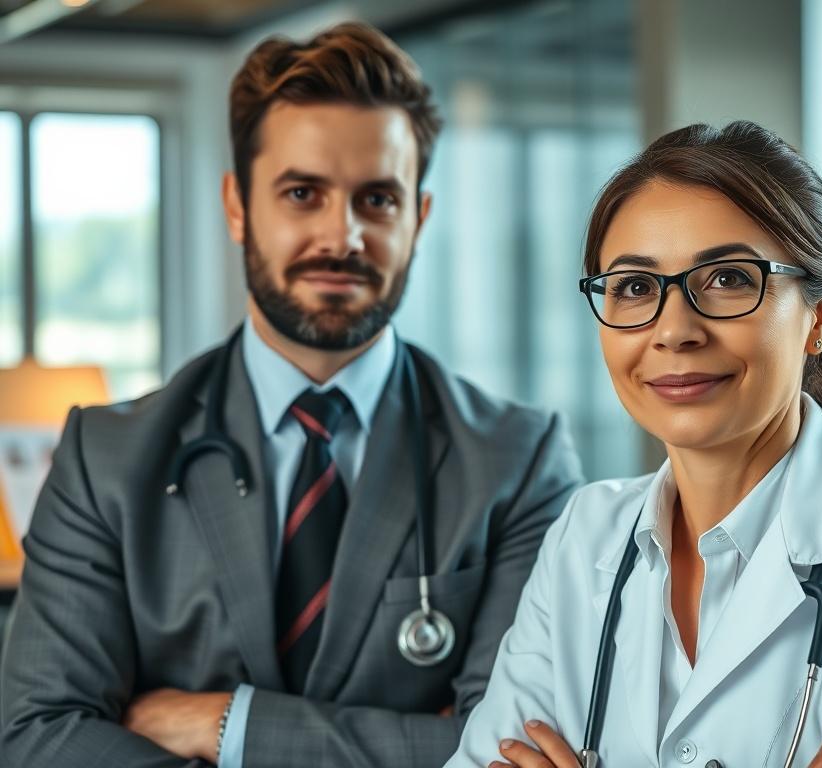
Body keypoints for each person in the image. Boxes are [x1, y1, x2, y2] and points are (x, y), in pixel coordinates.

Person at [0, 22, 583, 768]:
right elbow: (40, 737)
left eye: (377, 199)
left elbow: (510, 751)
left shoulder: (516, 461)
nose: (342, 236)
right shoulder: (105, 459)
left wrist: (225, 726)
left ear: (418, 219)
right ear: (239, 205)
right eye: (303, 193)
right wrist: (419, 739)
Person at [443, 121, 822, 768]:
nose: (674, 330)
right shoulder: (586, 535)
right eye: (635, 287)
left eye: (727, 280)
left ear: (821, 318)